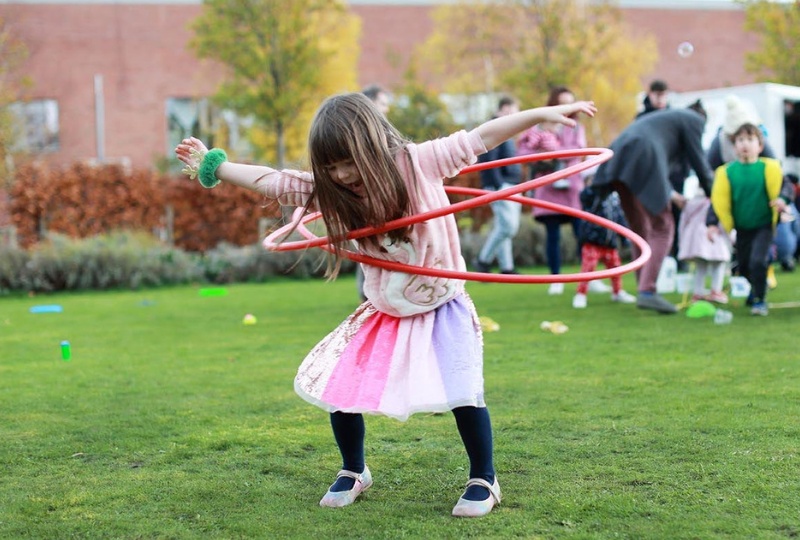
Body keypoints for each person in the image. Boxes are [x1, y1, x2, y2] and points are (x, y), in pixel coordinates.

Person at [175, 92, 597, 517]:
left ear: (372, 146)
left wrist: (541, 114)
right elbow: (273, 181)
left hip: (441, 301)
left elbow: (480, 137)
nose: (341, 175)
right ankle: (354, 469)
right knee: (341, 389)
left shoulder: (418, 163)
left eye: (348, 162)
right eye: (331, 166)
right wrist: (215, 164)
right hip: (385, 309)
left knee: (463, 391)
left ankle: (484, 478)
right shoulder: (330, 190)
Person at [591, 101, 715, 314]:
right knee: (663, 227)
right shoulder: (694, 120)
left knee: (639, 230)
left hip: (619, 156)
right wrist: (715, 196)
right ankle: (647, 291)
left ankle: (643, 287)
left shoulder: (666, 119)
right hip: (643, 155)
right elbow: (699, 163)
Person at [517, 86, 589, 295]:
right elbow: (523, 151)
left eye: (570, 103)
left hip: (571, 186)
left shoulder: (576, 128)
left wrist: (554, 152)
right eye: (562, 103)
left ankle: (588, 276)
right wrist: (541, 153)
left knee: (581, 232)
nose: (567, 108)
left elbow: (579, 152)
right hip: (548, 186)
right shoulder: (539, 127)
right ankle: (556, 278)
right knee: (552, 235)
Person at [710, 122, 788, 316]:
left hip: (763, 225)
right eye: (740, 140)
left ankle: (760, 301)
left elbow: (785, 187)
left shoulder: (769, 168)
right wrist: (711, 224)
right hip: (741, 227)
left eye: (750, 139)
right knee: (743, 267)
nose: (745, 144)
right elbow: (718, 201)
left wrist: (782, 200)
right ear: (734, 146)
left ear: (760, 146)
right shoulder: (726, 172)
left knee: (757, 261)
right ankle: (756, 288)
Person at [473, 95, 523, 275]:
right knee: (508, 227)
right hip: (502, 186)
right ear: (506, 108)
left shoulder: (506, 131)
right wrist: (498, 185)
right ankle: (483, 260)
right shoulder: (495, 129)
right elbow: (489, 159)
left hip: (512, 184)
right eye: (516, 110)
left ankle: (506, 267)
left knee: (505, 227)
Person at [354, 84, 392, 301]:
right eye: (383, 104)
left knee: (379, 248)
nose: (386, 110)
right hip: (366, 203)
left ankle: (376, 294)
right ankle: (368, 296)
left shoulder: (383, 133)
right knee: (368, 248)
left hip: (384, 201)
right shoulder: (359, 135)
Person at [571, 185, 637, 309]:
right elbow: (584, 198)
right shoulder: (592, 195)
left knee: (616, 268)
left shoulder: (614, 197)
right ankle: (581, 294)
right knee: (588, 269)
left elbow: (619, 218)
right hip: (593, 241)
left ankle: (617, 292)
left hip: (609, 242)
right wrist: (596, 187)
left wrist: (624, 238)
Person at [676, 195, 731, 304]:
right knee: (718, 264)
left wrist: (682, 241)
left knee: (700, 266)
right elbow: (724, 218)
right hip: (714, 234)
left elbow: (683, 221)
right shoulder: (716, 199)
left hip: (695, 237)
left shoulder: (691, 202)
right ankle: (715, 290)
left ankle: (698, 292)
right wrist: (732, 236)